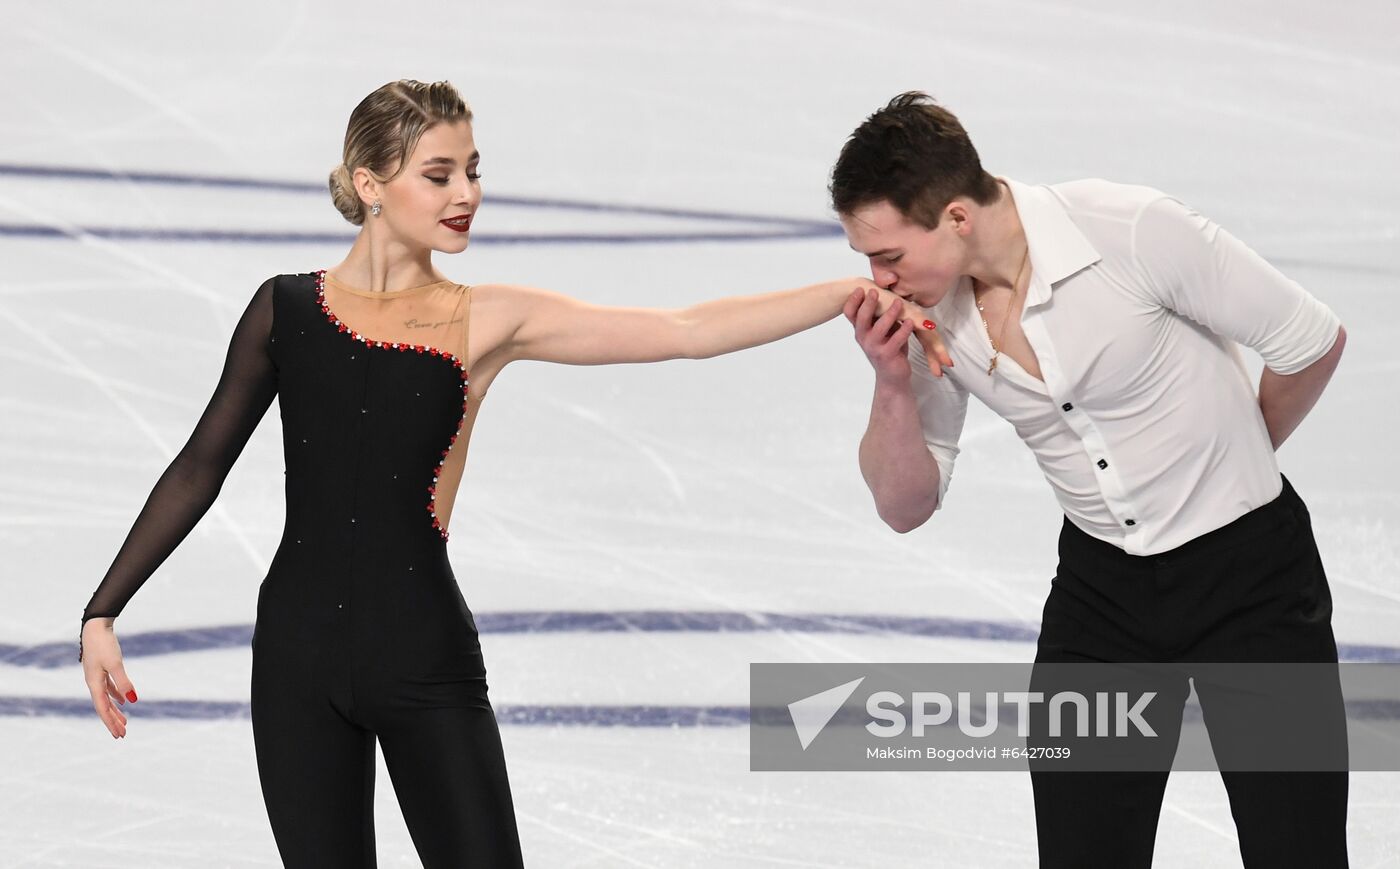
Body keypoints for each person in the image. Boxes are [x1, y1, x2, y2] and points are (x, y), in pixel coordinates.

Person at [77, 79, 953, 868]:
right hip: (295, 661)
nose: (467, 195)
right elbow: (201, 464)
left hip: (422, 657)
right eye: (440, 173)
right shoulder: (285, 308)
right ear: (371, 183)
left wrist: (845, 294)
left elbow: (685, 327)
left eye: (473, 171)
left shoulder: (488, 320)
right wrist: (105, 606)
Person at [832, 92, 1348, 868]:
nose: (878, 280)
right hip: (1103, 604)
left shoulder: (1129, 229)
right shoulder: (928, 320)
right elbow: (905, 506)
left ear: (958, 218)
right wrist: (892, 380)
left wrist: (1233, 458)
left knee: (1298, 851)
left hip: (1254, 586)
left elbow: (1310, 338)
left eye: (889, 255)